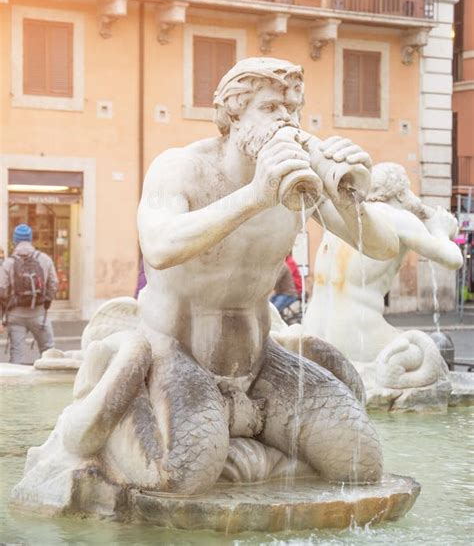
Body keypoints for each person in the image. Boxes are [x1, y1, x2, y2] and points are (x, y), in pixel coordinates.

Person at [38, 57, 399, 494]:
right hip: (175, 354)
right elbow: (159, 245)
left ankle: (256, 440)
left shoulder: (300, 176)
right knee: (184, 475)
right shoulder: (181, 168)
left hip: (257, 360)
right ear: (233, 113)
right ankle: (124, 417)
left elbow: (382, 246)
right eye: (270, 108)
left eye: (293, 109)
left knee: (360, 459)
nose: (286, 120)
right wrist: (254, 195)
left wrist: (349, 197)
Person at [303, 162, 463, 363]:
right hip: (358, 337)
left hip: (313, 333)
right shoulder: (398, 218)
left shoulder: (344, 220)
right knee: (426, 356)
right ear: (402, 194)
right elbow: (453, 259)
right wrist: (441, 229)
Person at [0, 224, 58, 364]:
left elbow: (2, 290)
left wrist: (3, 315)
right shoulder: (44, 259)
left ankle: (16, 385)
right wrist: (46, 303)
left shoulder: (8, 263)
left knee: (17, 355)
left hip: (15, 316)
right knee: (48, 351)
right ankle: (49, 384)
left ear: (15, 241)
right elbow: (53, 284)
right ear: (31, 239)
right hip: (39, 315)